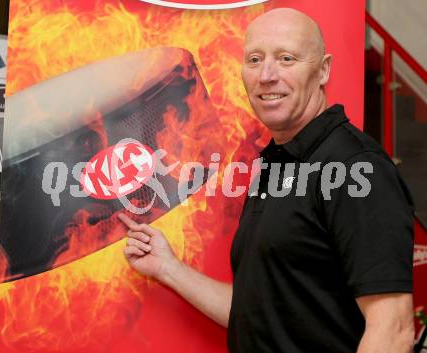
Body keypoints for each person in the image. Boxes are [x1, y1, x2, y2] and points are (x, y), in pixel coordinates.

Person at [118, 8, 415, 353]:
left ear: (323, 70)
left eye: (286, 58)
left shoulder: (357, 169)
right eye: (255, 59)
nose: (267, 75)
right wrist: (168, 269)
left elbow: (392, 331)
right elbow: (257, 313)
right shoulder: (273, 166)